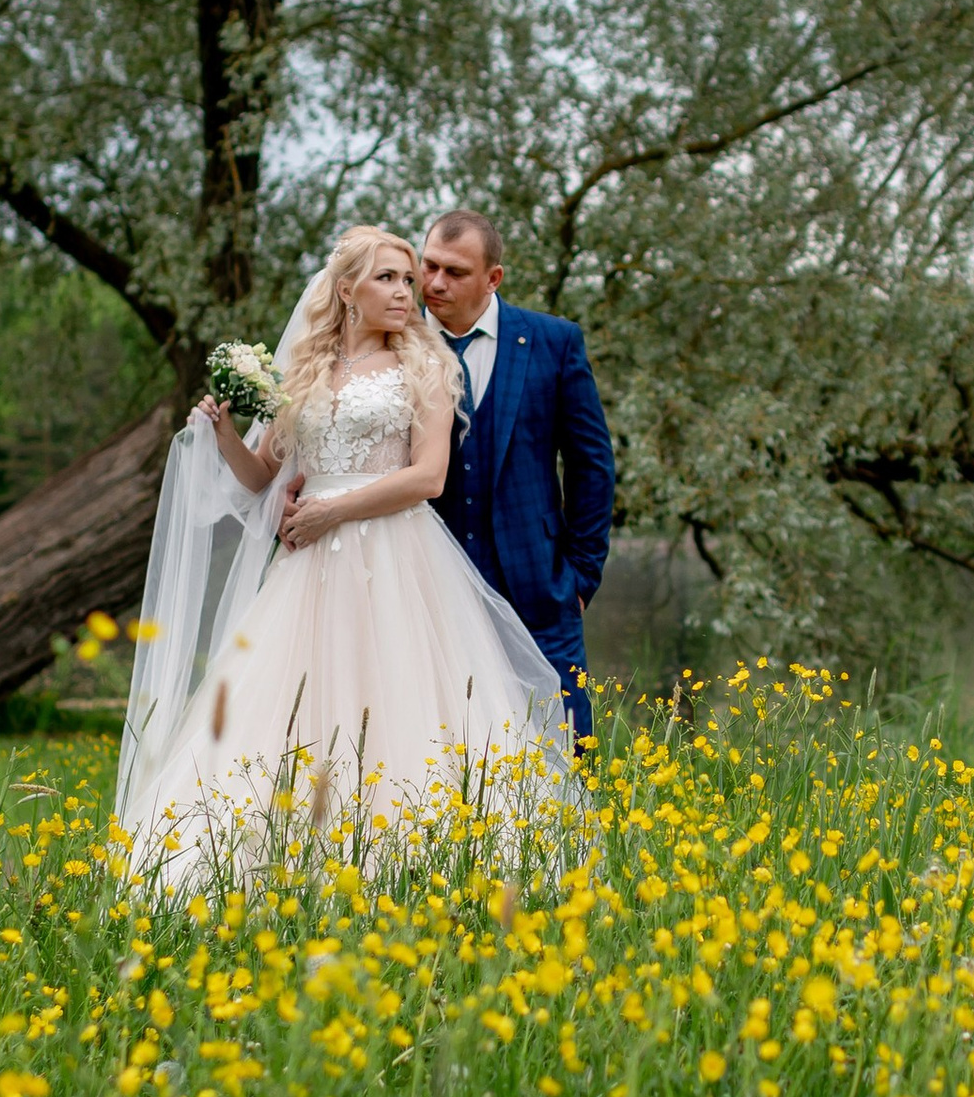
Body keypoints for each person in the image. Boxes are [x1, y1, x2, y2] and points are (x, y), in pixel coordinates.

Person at [114, 227, 574, 882]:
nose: (406, 293)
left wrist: (333, 509)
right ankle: (285, 853)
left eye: (408, 281)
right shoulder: (304, 370)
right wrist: (220, 434)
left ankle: (409, 855)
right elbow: (259, 477)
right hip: (308, 570)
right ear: (346, 290)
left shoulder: (425, 365)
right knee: (295, 703)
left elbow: (429, 477)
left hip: (396, 555)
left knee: (399, 700)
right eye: (389, 278)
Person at [417, 209, 616, 740]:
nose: (435, 282)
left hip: (539, 583)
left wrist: (581, 576)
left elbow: (592, 464)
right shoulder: (396, 342)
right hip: (425, 581)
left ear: (493, 278)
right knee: (440, 742)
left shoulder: (553, 341)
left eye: (455, 272)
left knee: (566, 747)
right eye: (429, 265)